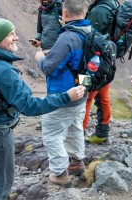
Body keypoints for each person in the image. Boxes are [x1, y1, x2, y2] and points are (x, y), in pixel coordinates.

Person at [0, 17, 85, 200]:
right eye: (10, 34)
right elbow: (29, 106)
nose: (16, 37)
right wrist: (66, 97)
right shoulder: (4, 71)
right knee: (1, 182)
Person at [35, 0, 90, 186]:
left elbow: (49, 68)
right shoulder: (91, 32)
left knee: (51, 133)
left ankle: (59, 173)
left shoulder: (68, 38)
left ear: (64, 13)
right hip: (82, 91)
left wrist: (40, 57)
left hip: (64, 95)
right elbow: (79, 57)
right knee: (75, 126)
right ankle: (77, 161)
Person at [83, 0, 118, 144]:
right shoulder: (113, 4)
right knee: (103, 98)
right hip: (106, 62)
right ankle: (103, 133)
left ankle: (78, 135)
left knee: (85, 99)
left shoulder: (99, 11)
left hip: (93, 63)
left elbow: (88, 35)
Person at [30, 0, 63, 130]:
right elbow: (40, 30)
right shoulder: (41, 9)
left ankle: (56, 116)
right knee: (50, 83)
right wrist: (37, 40)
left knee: (57, 82)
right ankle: (51, 115)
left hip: (59, 51)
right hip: (45, 51)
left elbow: (68, 26)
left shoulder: (60, 7)